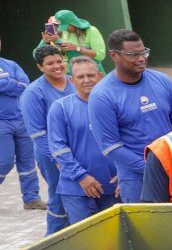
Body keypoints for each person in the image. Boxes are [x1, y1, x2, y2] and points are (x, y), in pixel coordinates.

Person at [88, 29, 172, 203]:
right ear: (114, 55)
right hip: (137, 180)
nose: (141, 59)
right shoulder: (102, 96)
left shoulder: (162, 81)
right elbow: (111, 147)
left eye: (143, 52)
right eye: (133, 54)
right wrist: (152, 167)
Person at [46, 57, 118, 223]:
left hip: (114, 188)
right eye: (80, 77)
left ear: (100, 76)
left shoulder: (113, 104)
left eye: (91, 75)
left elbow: (128, 140)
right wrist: (81, 177)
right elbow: (58, 148)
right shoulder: (60, 108)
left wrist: (124, 173)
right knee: (87, 243)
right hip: (77, 190)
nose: (87, 80)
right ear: (72, 80)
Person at [21, 44, 74, 233]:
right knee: (60, 194)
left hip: (78, 149)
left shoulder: (75, 82)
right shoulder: (33, 93)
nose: (57, 66)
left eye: (59, 61)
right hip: (51, 155)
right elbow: (38, 134)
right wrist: (57, 159)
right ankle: (54, 236)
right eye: (50, 63)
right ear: (40, 67)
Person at [0, 38, 44, 210]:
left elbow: (25, 85)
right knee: (4, 162)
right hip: (1, 123)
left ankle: (32, 198)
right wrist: (12, 84)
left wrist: (5, 84)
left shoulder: (11, 64)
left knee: (27, 162)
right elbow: (16, 85)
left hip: (21, 119)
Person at [38, 10, 105, 72]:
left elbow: (100, 55)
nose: (64, 29)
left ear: (73, 23)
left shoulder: (91, 30)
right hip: (75, 73)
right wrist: (49, 42)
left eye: (66, 26)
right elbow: (64, 56)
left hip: (94, 71)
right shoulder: (65, 32)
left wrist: (77, 48)